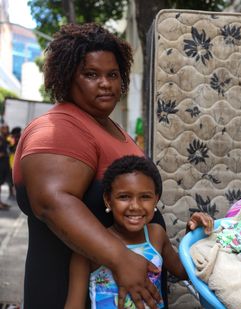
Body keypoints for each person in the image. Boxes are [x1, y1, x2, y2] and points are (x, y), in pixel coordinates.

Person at [13, 23, 173, 309]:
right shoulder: (59, 127)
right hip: (68, 295)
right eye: (91, 74)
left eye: (112, 74)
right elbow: (52, 202)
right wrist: (121, 258)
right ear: (66, 78)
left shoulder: (109, 126)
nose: (106, 83)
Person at [65, 155, 213, 308]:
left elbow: (183, 271)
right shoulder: (91, 245)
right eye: (124, 197)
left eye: (145, 197)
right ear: (108, 200)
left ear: (156, 200)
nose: (135, 206)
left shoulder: (156, 235)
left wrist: (194, 234)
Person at [0, 124, 11, 210]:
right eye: (5, 129)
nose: (7, 130)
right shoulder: (0, 139)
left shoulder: (5, 139)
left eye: (7, 129)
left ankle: (0, 202)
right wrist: (3, 154)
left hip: (4, 165)